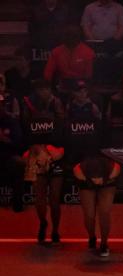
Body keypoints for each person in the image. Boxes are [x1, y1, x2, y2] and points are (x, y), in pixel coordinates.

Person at [21, 78, 64, 244]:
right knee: (39, 198)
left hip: (55, 154)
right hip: (36, 154)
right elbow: (26, 130)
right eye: (40, 89)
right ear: (36, 91)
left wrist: (56, 152)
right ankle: (43, 223)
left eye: (46, 89)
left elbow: (62, 128)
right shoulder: (28, 105)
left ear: (50, 90)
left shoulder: (57, 103)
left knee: (54, 199)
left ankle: (55, 230)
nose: (43, 92)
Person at [73, 154, 121, 257]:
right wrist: (90, 180)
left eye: (97, 179)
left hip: (108, 182)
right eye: (94, 179)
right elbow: (79, 173)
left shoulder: (113, 170)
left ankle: (104, 243)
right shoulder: (79, 171)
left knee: (104, 212)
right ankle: (92, 236)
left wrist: (104, 180)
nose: (96, 181)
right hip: (86, 182)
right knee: (89, 214)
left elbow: (116, 169)